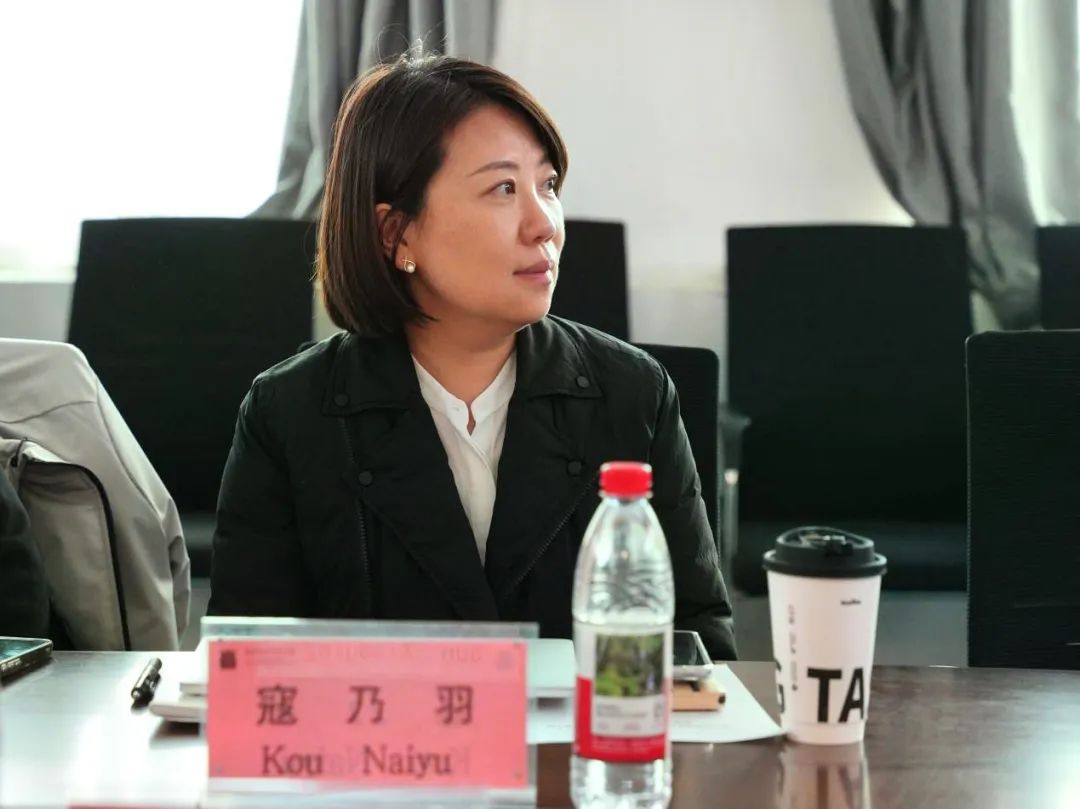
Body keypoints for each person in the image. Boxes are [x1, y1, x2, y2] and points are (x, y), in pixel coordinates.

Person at [209, 54, 736, 659]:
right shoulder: (289, 412)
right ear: (396, 233)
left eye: (548, 186)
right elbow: (244, 661)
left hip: (589, 723)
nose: (545, 225)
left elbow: (701, 649)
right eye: (503, 188)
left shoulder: (632, 394)